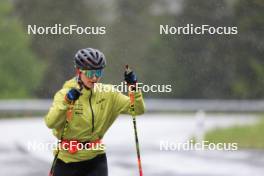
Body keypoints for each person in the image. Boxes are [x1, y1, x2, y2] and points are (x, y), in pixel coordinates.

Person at [45, 48, 145, 176]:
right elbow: (50, 122)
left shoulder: (109, 94)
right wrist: (66, 102)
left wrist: (134, 88)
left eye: (98, 72)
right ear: (79, 71)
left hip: (96, 161)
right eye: (90, 73)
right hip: (67, 160)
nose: (94, 78)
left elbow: (137, 109)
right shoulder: (64, 94)